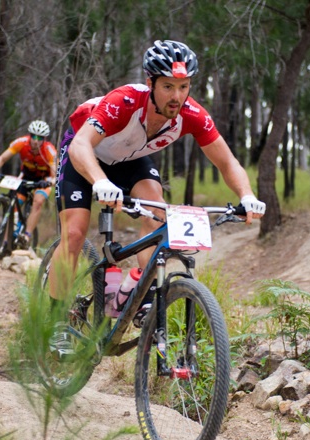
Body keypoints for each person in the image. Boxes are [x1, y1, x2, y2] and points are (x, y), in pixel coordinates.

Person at [49, 39, 266, 354]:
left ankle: (139, 291)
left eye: (184, 86)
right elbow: (81, 145)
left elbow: (227, 161)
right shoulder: (123, 101)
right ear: (150, 82)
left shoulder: (192, 114)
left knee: (160, 212)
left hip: (129, 160)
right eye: (168, 87)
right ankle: (57, 321)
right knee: (74, 232)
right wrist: (99, 181)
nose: (177, 96)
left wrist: (246, 195)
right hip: (85, 152)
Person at [0, 120, 57, 246]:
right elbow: (2, 158)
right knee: (14, 204)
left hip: (43, 179)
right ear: (29, 135)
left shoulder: (49, 150)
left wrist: (49, 183)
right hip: (26, 175)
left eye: (40, 137)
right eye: (33, 136)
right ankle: (6, 242)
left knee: (38, 201)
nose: (36, 140)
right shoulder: (21, 143)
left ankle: (27, 235)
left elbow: (55, 175)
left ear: (44, 139)